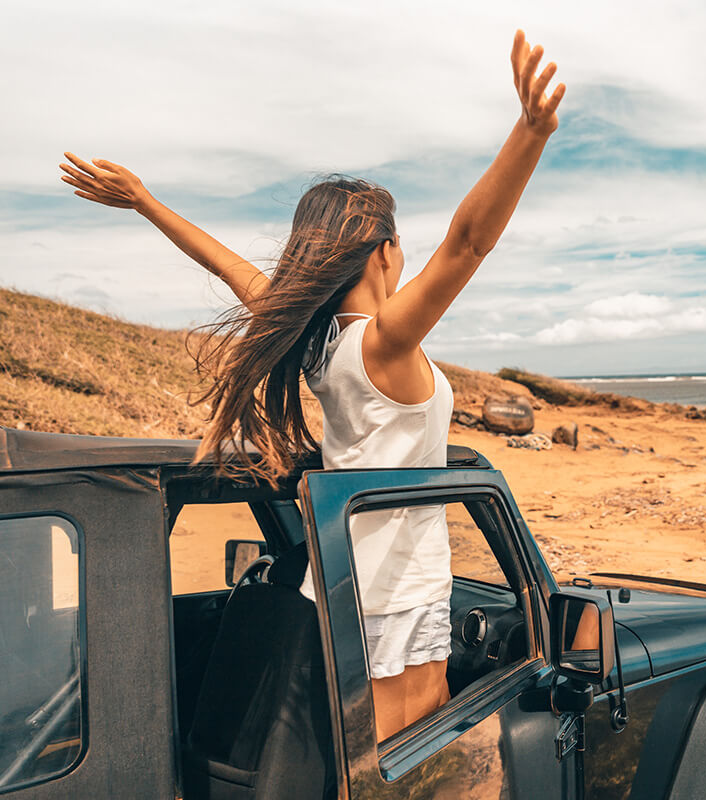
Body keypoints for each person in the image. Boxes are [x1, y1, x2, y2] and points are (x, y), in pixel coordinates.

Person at [59, 29, 565, 742]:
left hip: (335, 582)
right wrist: (530, 133)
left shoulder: (318, 344)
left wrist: (145, 200)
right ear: (386, 252)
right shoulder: (385, 344)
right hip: (393, 593)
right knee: (401, 764)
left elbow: (229, 266)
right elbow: (468, 243)